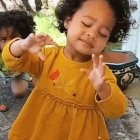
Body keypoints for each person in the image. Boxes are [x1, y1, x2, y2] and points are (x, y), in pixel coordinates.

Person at [2, 0, 136, 139]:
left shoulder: (99, 73)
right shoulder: (47, 57)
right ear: (67, 20)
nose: (92, 34)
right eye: (86, 24)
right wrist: (22, 45)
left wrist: (103, 88)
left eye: (102, 34)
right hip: (39, 131)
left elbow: (117, 110)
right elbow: (12, 61)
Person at [0, 10, 36, 98]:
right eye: (3, 39)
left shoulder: (27, 51)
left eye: (14, 39)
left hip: (19, 73)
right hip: (5, 73)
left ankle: (26, 77)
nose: (8, 44)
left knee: (19, 92)